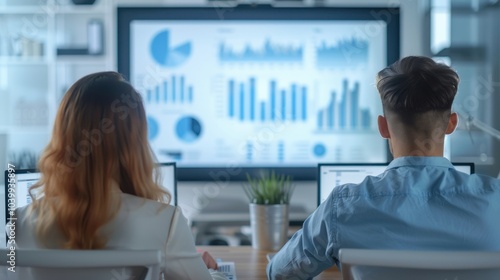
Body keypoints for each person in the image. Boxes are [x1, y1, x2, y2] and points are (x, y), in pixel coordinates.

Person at [267, 56, 500, 279]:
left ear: (383, 127)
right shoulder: (495, 199)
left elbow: (280, 273)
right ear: (452, 124)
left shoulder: (342, 206)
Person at [12, 72, 226, 280]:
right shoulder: (166, 222)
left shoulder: (20, 222)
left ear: (62, 137)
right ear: (135, 145)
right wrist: (215, 274)